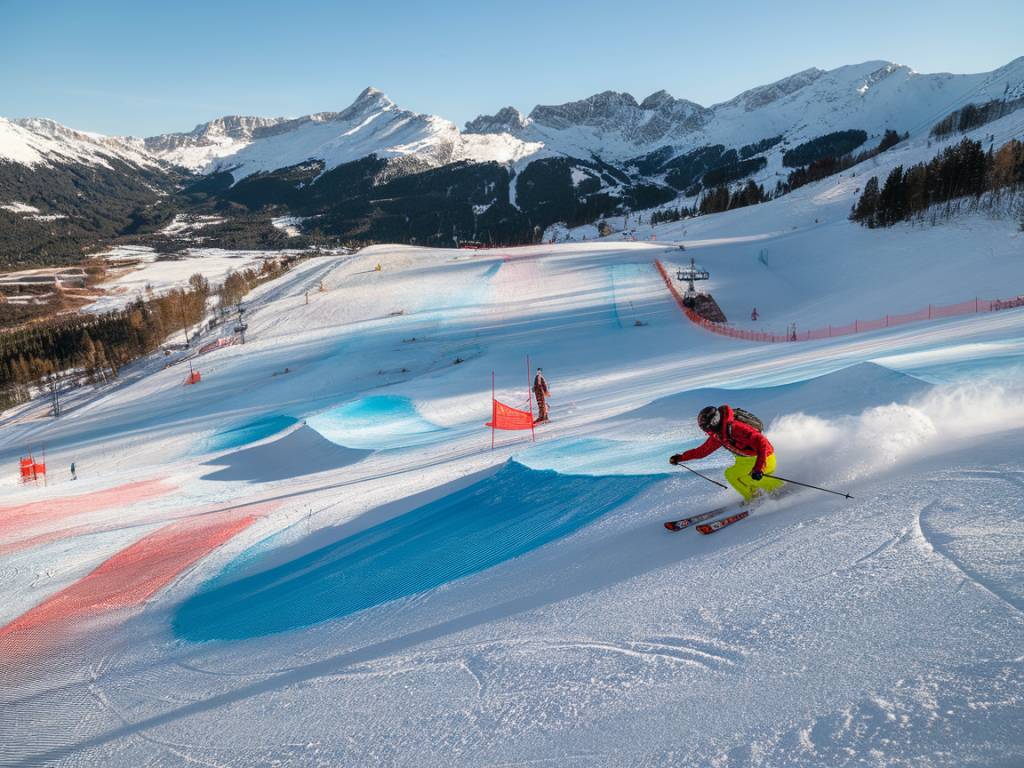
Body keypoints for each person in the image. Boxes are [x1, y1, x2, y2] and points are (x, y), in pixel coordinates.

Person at [669, 405, 784, 503]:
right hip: (745, 460)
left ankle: (780, 489)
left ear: (714, 422)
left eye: (707, 428)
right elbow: (702, 451)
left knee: (749, 478)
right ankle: (754, 498)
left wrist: (759, 468)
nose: (707, 431)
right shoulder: (719, 435)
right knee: (731, 475)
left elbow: (761, 442)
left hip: (764, 456)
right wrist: (681, 458)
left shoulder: (735, 428)